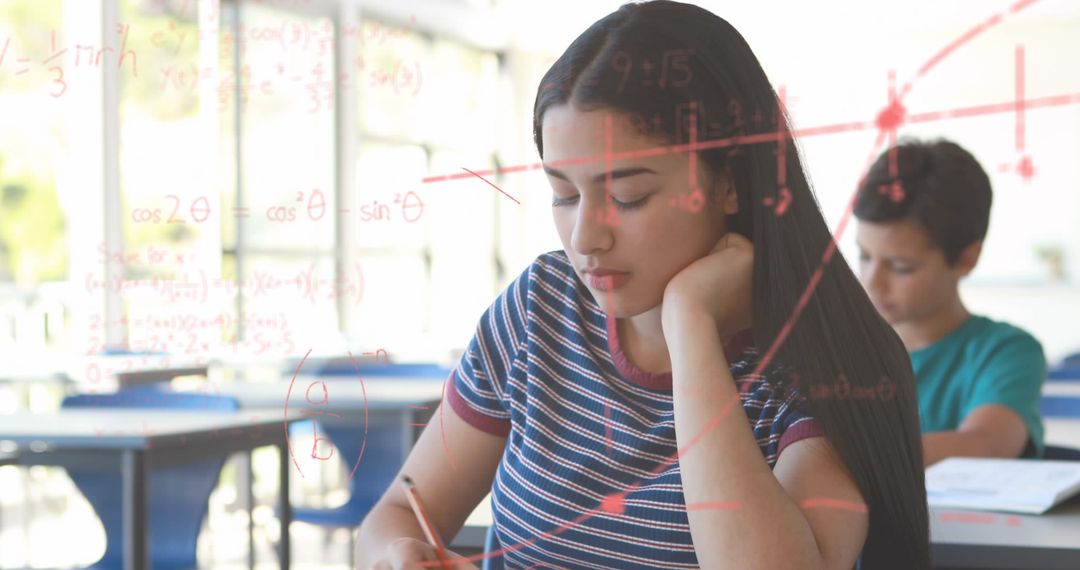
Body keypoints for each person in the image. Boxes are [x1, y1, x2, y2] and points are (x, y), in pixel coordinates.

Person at [358, 1, 930, 568]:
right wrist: (398, 555)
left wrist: (690, 326)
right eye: (564, 194)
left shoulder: (820, 367)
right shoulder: (541, 308)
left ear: (729, 183)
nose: (585, 236)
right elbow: (395, 517)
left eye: (628, 197)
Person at [854, 139, 1046, 467]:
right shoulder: (839, 348)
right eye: (864, 256)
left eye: (901, 267)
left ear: (966, 259)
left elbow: (987, 445)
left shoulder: (1004, 351)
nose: (872, 281)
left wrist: (837, 461)